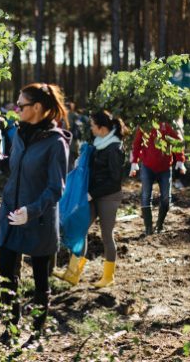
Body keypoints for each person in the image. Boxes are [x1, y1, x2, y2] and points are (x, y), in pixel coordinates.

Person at [0, 83, 71, 346]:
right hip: (11, 215)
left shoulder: (56, 143)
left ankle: (37, 334)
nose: (16, 109)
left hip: (39, 220)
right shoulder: (20, 134)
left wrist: (31, 212)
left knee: (39, 281)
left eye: (20, 105)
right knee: (7, 275)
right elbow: (17, 167)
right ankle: (10, 329)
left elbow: (56, 188)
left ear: (38, 108)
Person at [54, 110, 127, 287]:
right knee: (81, 228)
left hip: (108, 197)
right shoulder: (99, 142)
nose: (92, 129)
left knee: (106, 235)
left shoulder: (115, 148)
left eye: (94, 126)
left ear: (102, 128)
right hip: (92, 194)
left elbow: (115, 181)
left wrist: (92, 193)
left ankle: (108, 277)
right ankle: (73, 273)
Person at [129, 122, 186, 235]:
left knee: (166, 198)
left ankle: (159, 225)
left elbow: (177, 141)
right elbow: (137, 143)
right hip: (147, 165)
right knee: (146, 195)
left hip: (165, 167)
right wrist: (134, 161)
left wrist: (180, 159)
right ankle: (148, 228)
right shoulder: (145, 125)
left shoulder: (168, 124)